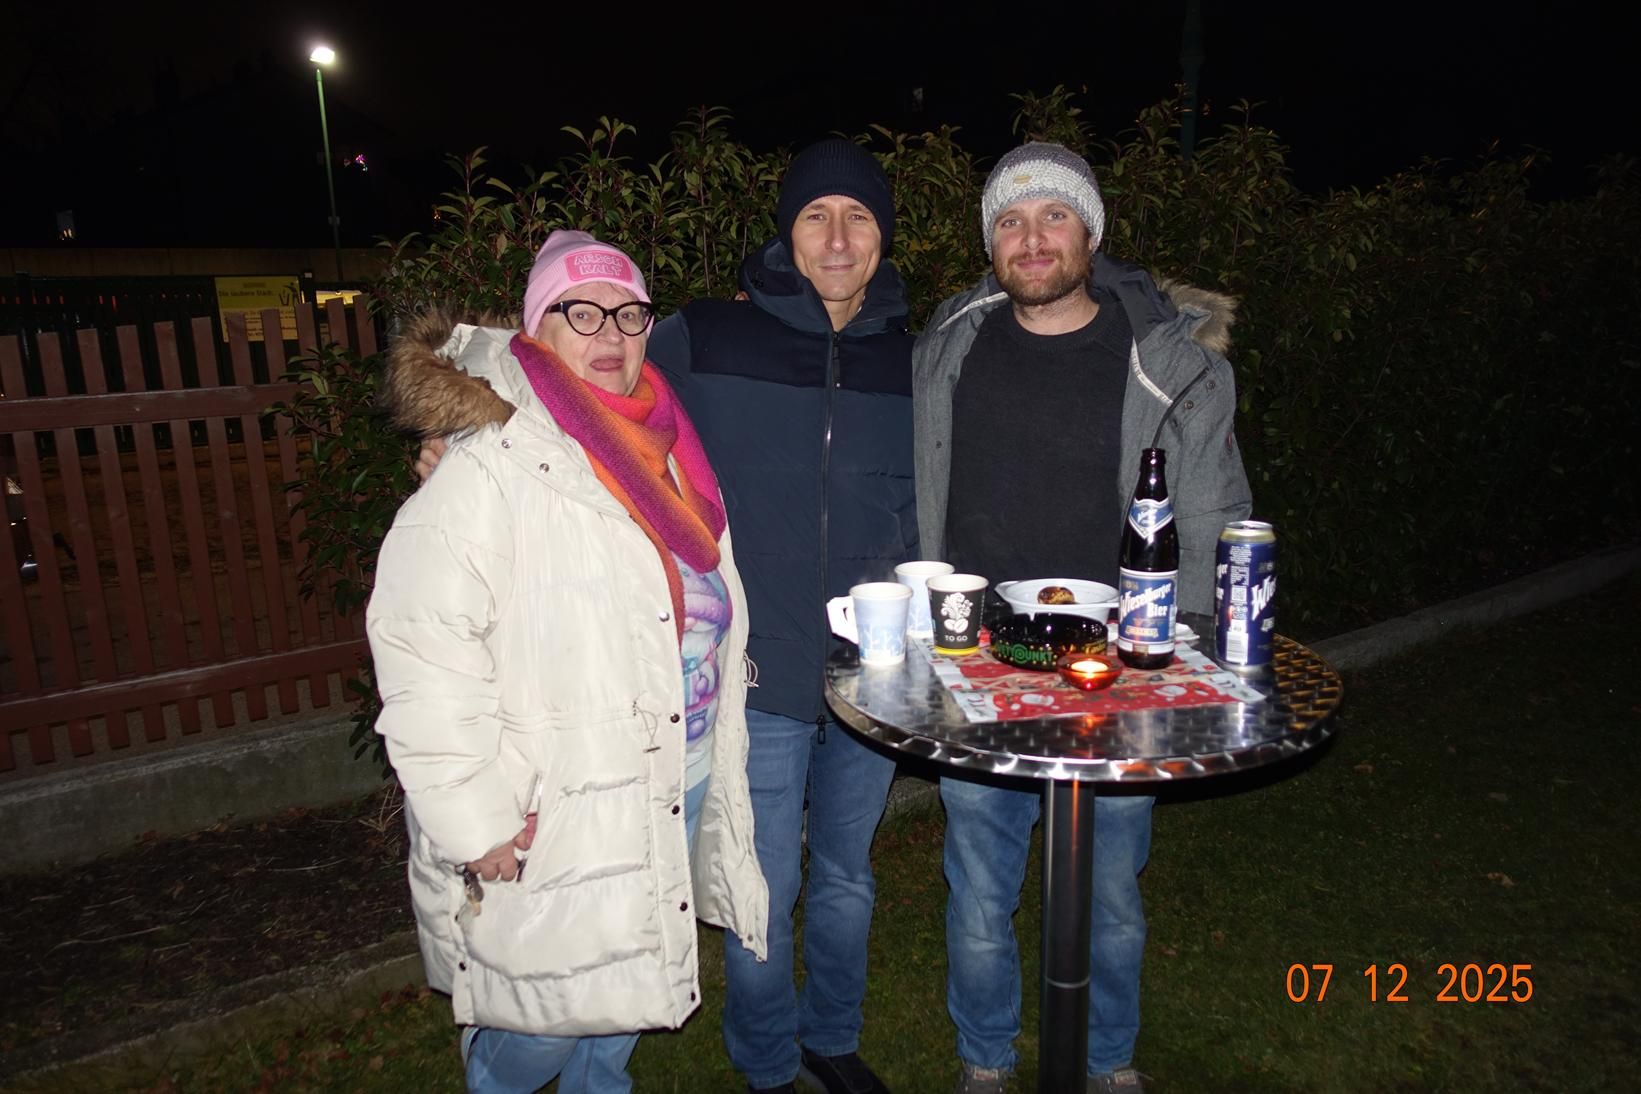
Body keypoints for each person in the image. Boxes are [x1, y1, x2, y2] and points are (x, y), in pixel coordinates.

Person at [413, 139, 916, 1094]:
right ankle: (768, 1063)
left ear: (883, 237)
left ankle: (832, 1039)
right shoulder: (710, 336)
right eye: (815, 215)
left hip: (871, 675)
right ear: (787, 232)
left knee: (848, 877)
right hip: (757, 681)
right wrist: (461, 426)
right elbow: (565, 371)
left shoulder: (912, 356)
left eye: (859, 217)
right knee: (764, 883)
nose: (837, 238)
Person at [367, 230, 769, 1094]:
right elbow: (422, 648)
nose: (609, 333)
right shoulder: (490, 462)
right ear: (534, 330)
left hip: (672, 773)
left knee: (620, 1006)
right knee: (538, 1028)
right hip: (556, 801)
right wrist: (474, 822)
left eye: (628, 313)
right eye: (579, 312)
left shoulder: (668, 444)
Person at [911, 142, 1253, 1094]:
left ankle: (1108, 1061)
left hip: (1116, 673)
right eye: (1009, 221)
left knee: (1110, 896)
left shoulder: (1167, 362)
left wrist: (1188, 647)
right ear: (990, 244)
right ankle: (985, 1061)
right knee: (979, 893)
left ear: (1090, 234)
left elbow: (1214, 512)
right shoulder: (948, 346)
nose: (1031, 239)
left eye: (1053, 216)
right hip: (979, 663)